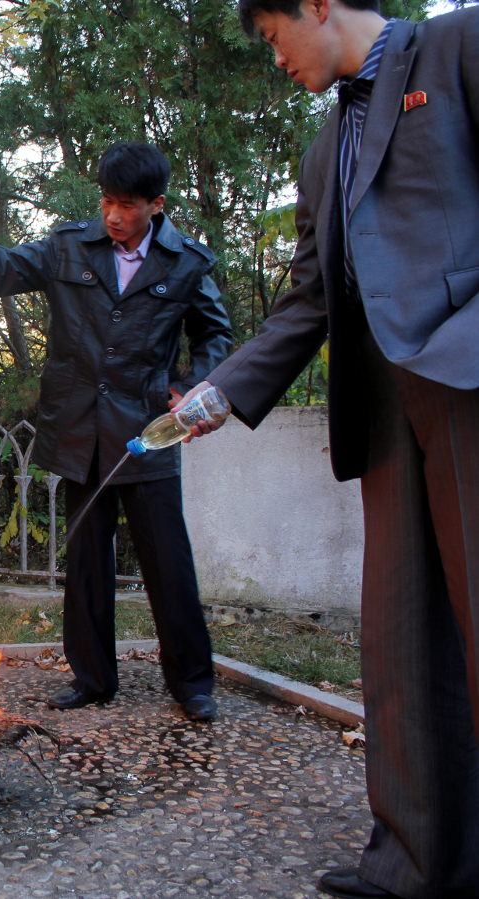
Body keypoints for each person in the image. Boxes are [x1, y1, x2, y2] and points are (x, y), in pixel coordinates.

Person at [176, 1, 479, 896]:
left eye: (273, 37)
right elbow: (309, 299)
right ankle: (415, 863)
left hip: (467, 384)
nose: (274, 59)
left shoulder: (459, 45)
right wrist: (223, 388)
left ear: (315, 5)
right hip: (382, 405)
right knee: (400, 640)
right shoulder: (323, 145)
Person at [0, 141, 232, 723]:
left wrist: (197, 384)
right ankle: (92, 678)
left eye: (128, 205)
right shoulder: (71, 246)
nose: (114, 216)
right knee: (87, 561)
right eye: (107, 202)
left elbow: (215, 334)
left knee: (168, 562)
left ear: (155, 205)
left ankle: (192, 684)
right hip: (78, 433)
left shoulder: (187, 263)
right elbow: (12, 263)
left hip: (149, 434)